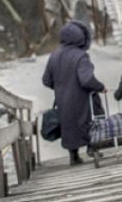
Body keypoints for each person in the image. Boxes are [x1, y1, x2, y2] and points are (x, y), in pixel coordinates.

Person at [42, 21, 106, 165]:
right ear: (81, 37)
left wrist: (60, 87)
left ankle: (74, 156)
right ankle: (93, 148)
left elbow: (46, 80)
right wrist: (100, 87)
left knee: (69, 125)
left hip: (63, 100)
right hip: (82, 99)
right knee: (92, 118)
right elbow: (87, 80)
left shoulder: (54, 56)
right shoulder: (81, 56)